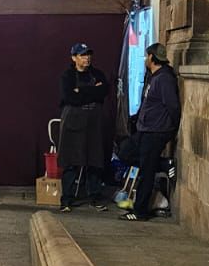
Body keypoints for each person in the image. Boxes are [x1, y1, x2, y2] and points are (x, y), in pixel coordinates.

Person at [121, 42, 181, 222]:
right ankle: (164, 164)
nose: (145, 59)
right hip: (144, 129)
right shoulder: (153, 77)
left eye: (147, 56)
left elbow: (173, 107)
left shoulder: (164, 79)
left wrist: (170, 129)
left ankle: (140, 211)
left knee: (146, 171)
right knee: (125, 152)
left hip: (156, 131)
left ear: (152, 58)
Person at [58, 43, 110, 212]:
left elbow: (103, 92)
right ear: (74, 58)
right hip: (73, 122)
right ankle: (67, 199)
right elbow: (70, 97)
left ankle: (95, 197)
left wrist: (81, 91)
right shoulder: (67, 76)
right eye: (82, 55)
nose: (86, 58)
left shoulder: (98, 74)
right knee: (71, 161)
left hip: (93, 123)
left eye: (88, 54)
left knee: (95, 159)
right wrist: (90, 92)